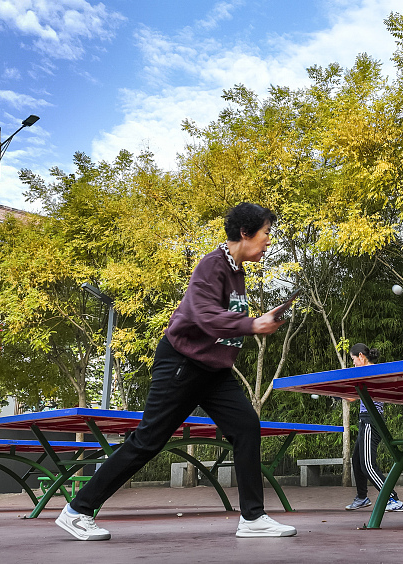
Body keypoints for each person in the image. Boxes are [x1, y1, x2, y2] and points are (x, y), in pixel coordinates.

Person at [55, 202, 297, 541]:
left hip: (213, 371)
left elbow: (223, 320)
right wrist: (253, 324)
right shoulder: (212, 266)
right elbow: (204, 316)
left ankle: (253, 518)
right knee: (148, 441)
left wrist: (257, 321)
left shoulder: (237, 272)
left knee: (246, 427)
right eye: (266, 233)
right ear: (245, 233)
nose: (269, 241)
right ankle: (77, 510)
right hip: (182, 363)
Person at [343, 343, 403, 513]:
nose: (353, 363)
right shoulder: (365, 373)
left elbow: (355, 395)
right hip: (364, 420)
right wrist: (335, 394)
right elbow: (353, 397)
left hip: (372, 420)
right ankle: (362, 497)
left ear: (361, 356)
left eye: (353, 359)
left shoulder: (372, 372)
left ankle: (392, 499)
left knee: (367, 465)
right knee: (356, 460)